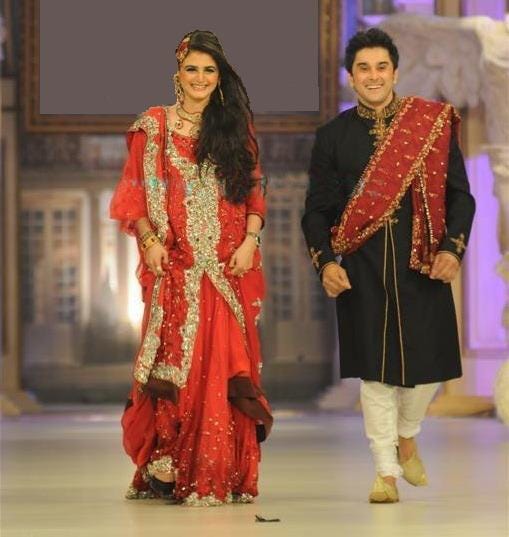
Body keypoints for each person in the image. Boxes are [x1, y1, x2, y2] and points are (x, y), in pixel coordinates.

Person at [301, 28, 475, 503]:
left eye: (381, 67)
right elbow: (316, 211)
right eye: (364, 68)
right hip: (363, 268)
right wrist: (325, 263)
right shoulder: (332, 137)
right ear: (351, 77)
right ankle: (385, 473)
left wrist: (452, 249)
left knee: (429, 368)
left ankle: (407, 435)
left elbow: (461, 197)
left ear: (396, 73)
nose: (373, 76)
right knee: (376, 375)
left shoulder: (430, 126)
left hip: (423, 263)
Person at [110, 30, 272, 507]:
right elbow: (134, 193)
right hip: (176, 266)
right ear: (177, 74)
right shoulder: (153, 126)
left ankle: (218, 467)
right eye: (192, 69)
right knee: (174, 360)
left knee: (222, 363)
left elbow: (254, 192)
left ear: (219, 78)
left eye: (209, 70)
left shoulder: (234, 128)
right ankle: (170, 460)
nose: (200, 78)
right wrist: (149, 240)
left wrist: (250, 241)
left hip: (226, 267)